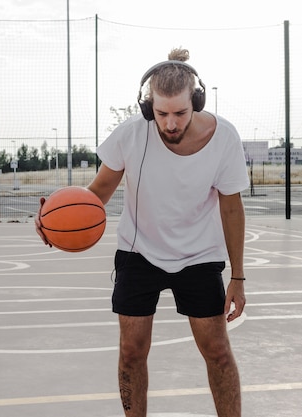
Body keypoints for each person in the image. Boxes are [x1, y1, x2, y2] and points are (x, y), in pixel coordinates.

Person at [36, 47, 249, 417]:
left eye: (180, 113)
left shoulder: (224, 138)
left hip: (200, 255)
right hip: (139, 254)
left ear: (196, 102)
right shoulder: (131, 136)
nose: (170, 123)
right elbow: (98, 192)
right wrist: (53, 218)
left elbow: (231, 208)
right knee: (131, 351)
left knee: (217, 351)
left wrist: (239, 276)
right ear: (148, 106)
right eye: (162, 113)